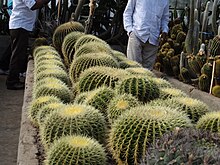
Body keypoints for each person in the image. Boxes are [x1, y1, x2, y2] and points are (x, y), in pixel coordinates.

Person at [6, 0, 51, 90]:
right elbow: (33, 5)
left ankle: (14, 78)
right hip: (20, 25)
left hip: (21, 25)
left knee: (18, 53)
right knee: (17, 55)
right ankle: (12, 81)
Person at [123, 0, 169, 70]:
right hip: (137, 35)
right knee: (133, 68)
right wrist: (130, 31)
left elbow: (164, 18)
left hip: (153, 38)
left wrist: (165, 30)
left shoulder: (164, 1)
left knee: (148, 72)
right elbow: (128, 12)